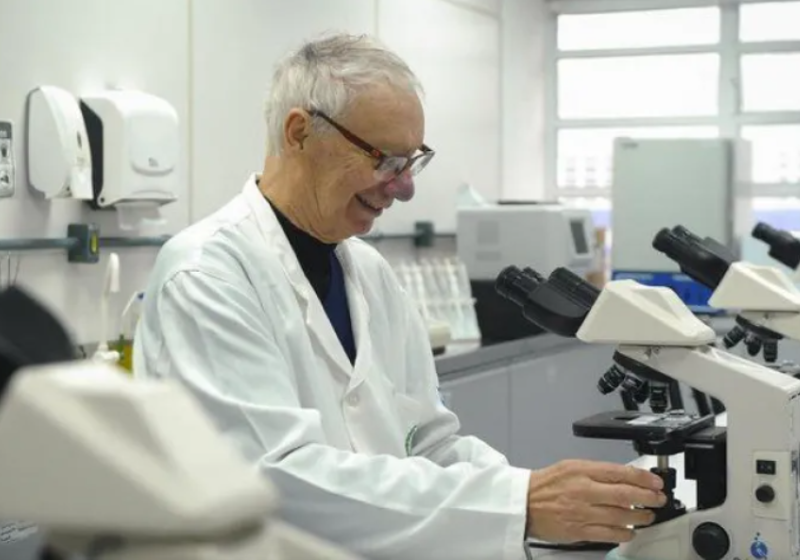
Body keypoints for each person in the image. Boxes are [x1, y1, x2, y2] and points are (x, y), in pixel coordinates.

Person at [133, 33, 666, 560]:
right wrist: (519, 503)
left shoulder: (368, 272)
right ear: (299, 133)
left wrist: (546, 500)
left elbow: (428, 444)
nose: (405, 186)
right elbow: (274, 480)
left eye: (412, 161)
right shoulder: (208, 275)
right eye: (386, 160)